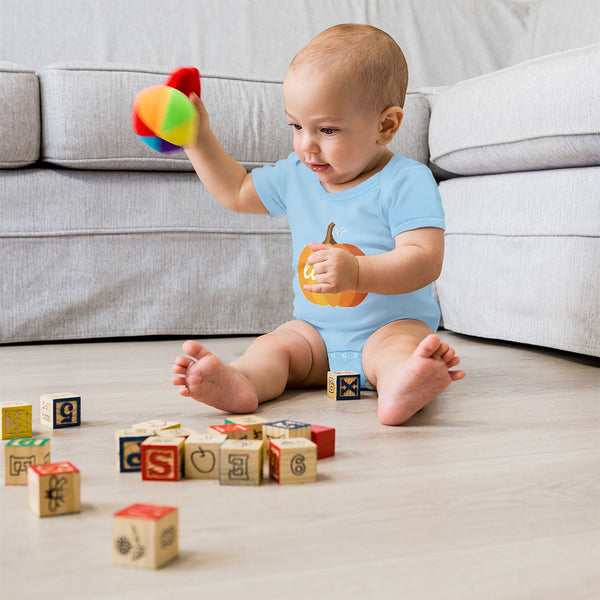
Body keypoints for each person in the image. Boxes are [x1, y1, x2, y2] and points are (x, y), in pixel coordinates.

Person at [171, 23, 465, 425]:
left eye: (327, 130)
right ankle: (243, 381)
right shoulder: (298, 174)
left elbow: (426, 259)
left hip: (391, 327)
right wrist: (197, 139)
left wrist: (357, 270)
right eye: (296, 126)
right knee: (275, 347)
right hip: (315, 333)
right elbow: (238, 190)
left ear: (386, 126)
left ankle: (401, 382)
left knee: (396, 351)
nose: (306, 145)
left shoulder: (405, 179)